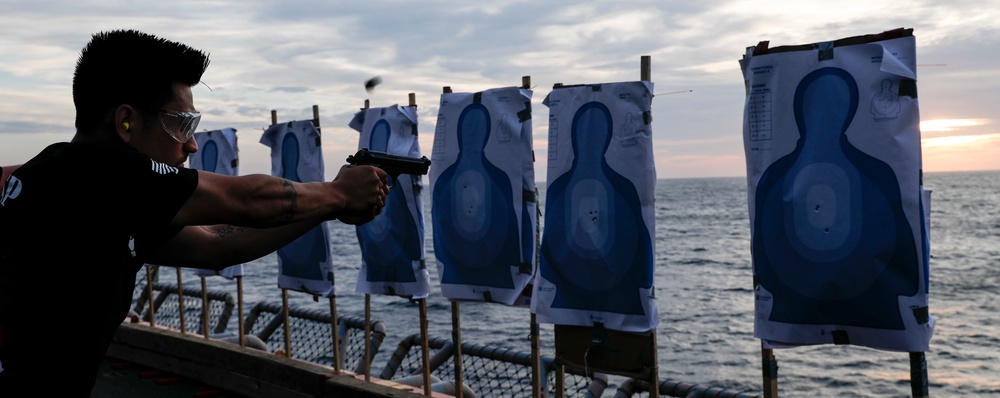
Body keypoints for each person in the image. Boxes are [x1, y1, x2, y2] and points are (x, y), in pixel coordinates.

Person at [0, 29, 389, 396]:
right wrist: (339, 193)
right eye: (182, 124)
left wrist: (325, 209)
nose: (191, 145)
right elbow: (247, 199)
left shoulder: (66, 177)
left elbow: (213, 246)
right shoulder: (103, 174)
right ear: (125, 121)